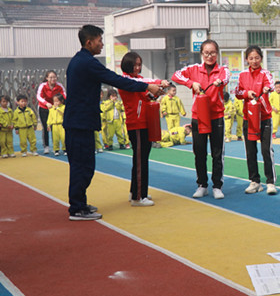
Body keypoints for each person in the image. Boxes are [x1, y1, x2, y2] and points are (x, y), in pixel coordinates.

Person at [64, 25, 161, 221]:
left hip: (80, 121)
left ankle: (79, 202)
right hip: (80, 122)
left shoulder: (80, 60)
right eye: (99, 40)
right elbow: (116, 80)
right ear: (89, 42)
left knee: (83, 164)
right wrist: (147, 85)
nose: (102, 44)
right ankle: (76, 208)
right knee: (82, 165)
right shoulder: (87, 63)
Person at [173, 39, 230, 199]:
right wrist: (191, 83)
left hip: (217, 117)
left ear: (217, 53)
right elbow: (176, 75)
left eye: (213, 53)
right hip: (198, 117)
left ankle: (217, 186)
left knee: (217, 153)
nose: (210, 56)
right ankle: (202, 185)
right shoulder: (193, 69)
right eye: (206, 53)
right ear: (201, 54)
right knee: (199, 152)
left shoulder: (223, 70)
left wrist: (219, 82)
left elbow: (226, 78)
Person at [120, 51, 169, 207]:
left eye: (140, 64)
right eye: (135, 64)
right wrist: (160, 82)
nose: (138, 67)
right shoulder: (127, 80)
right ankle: (138, 197)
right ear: (128, 65)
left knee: (140, 159)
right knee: (140, 160)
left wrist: (156, 93)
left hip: (143, 122)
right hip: (137, 123)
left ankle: (135, 191)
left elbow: (145, 96)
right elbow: (147, 83)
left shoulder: (138, 80)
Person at [235, 45, 277, 195]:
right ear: (246, 59)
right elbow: (237, 92)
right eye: (251, 58)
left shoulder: (266, 74)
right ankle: (254, 181)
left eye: (257, 58)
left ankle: (270, 182)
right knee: (250, 151)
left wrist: (266, 89)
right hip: (249, 118)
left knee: (266, 150)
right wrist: (247, 93)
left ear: (261, 59)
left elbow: (270, 85)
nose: (254, 61)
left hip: (264, 117)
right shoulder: (242, 75)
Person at [36, 70, 67, 154]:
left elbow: (64, 95)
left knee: (55, 128)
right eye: (51, 77)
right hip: (44, 108)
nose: (53, 79)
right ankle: (46, 146)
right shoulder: (42, 86)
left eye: (54, 77)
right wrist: (46, 103)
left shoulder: (59, 86)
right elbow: (38, 96)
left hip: (55, 108)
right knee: (46, 127)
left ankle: (56, 147)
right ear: (47, 78)